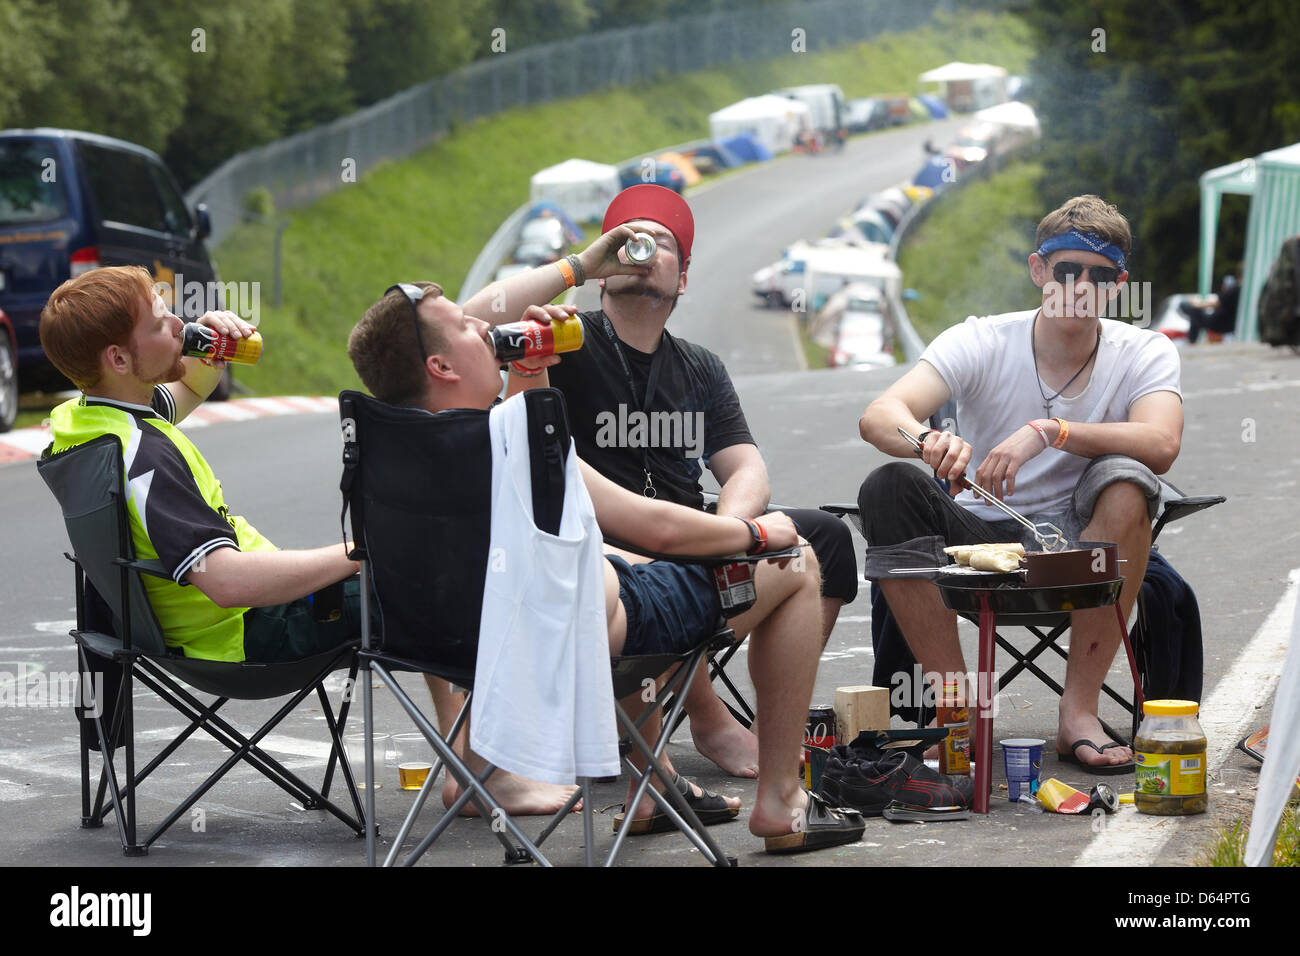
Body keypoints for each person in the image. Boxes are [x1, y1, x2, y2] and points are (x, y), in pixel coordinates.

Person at [345, 281, 865, 854]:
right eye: (467, 326)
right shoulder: (508, 439)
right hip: (584, 643)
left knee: (610, 570)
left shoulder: (385, 447)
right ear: (441, 365)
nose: (487, 328)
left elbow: (537, 475)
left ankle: (655, 786)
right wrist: (753, 532)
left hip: (443, 646)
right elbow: (654, 527)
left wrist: (531, 373)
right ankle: (782, 802)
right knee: (796, 559)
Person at [462, 184, 859, 779]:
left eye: (660, 244)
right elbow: (470, 323)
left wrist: (729, 530)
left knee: (824, 538)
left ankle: (752, 719)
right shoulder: (563, 339)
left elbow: (745, 465)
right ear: (602, 269)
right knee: (667, 560)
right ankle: (702, 718)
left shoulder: (698, 365)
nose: (640, 252)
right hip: (597, 542)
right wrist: (576, 264)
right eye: (624, 242)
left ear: (685, 277)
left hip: (687, 531)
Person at [856, 195, 1183, 773]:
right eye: (1067, 270)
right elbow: (881, 415)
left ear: (1118, 284)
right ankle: (960, 716)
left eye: (1100, 275)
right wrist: (926, 442)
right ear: (1039, 271)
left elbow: (1162, 444)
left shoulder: (1144, 349)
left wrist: (1050, 430)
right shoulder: (983, 339)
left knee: (1130, 483)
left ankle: (1077, 714)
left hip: (1073, 544)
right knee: (889, 485)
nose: (1081, 286)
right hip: (977, 536)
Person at [40, 266, 362, 663]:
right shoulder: (144, 458)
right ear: (119, 358)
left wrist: (210, 349)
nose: (180, 324)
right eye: (160, 324)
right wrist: (357, 552)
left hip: (212, 623)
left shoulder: (86, 421)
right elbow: (226, 582)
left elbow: (189, 388)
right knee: (431, 592)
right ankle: (460, 725)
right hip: (250, 627)